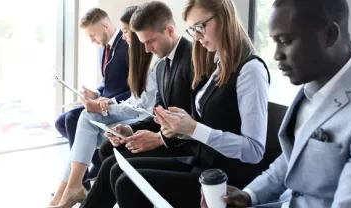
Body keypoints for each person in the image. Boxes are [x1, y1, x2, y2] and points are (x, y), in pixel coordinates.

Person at [96, 0, 270, 207]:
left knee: (127, 183)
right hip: (201, 163)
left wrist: (193, 129)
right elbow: (206, 123)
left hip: (222, 178)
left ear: (224, 19)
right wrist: (180, 128)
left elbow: (254, 151)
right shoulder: (217, 64)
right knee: (120, 172)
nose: (196, 36)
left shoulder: (251, 70)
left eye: (200, 27)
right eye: (192, 29)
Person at [201, 0, 351, 208]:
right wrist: (250, 195)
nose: (276, 55)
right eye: (274, 42)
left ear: (329, 35)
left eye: (285, 41)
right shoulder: (312, 84)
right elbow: (294, 158)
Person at [80, 2, 195, 208]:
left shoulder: (192, 60)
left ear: (170, 30)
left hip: (185, 149)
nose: (147, 49)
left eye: (151, 41)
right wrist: (129, 129)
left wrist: (159, 139)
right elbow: (159, 114)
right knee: (108, 155)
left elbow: (195, 123)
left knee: (114, 169)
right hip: (169, 138)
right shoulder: (162, 65)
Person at [47, 7, 139, 208]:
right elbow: (107, 83)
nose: (92, 40)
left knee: (76, 120)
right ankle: (78, 175)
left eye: (92, 35)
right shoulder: (104, 49)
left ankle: (76, 181)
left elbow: (134, 92)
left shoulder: (129, 46)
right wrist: (96, 94)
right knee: (63, 121)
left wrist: (106, 102)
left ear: (105, 26)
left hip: (118, 106)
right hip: (104, 102)